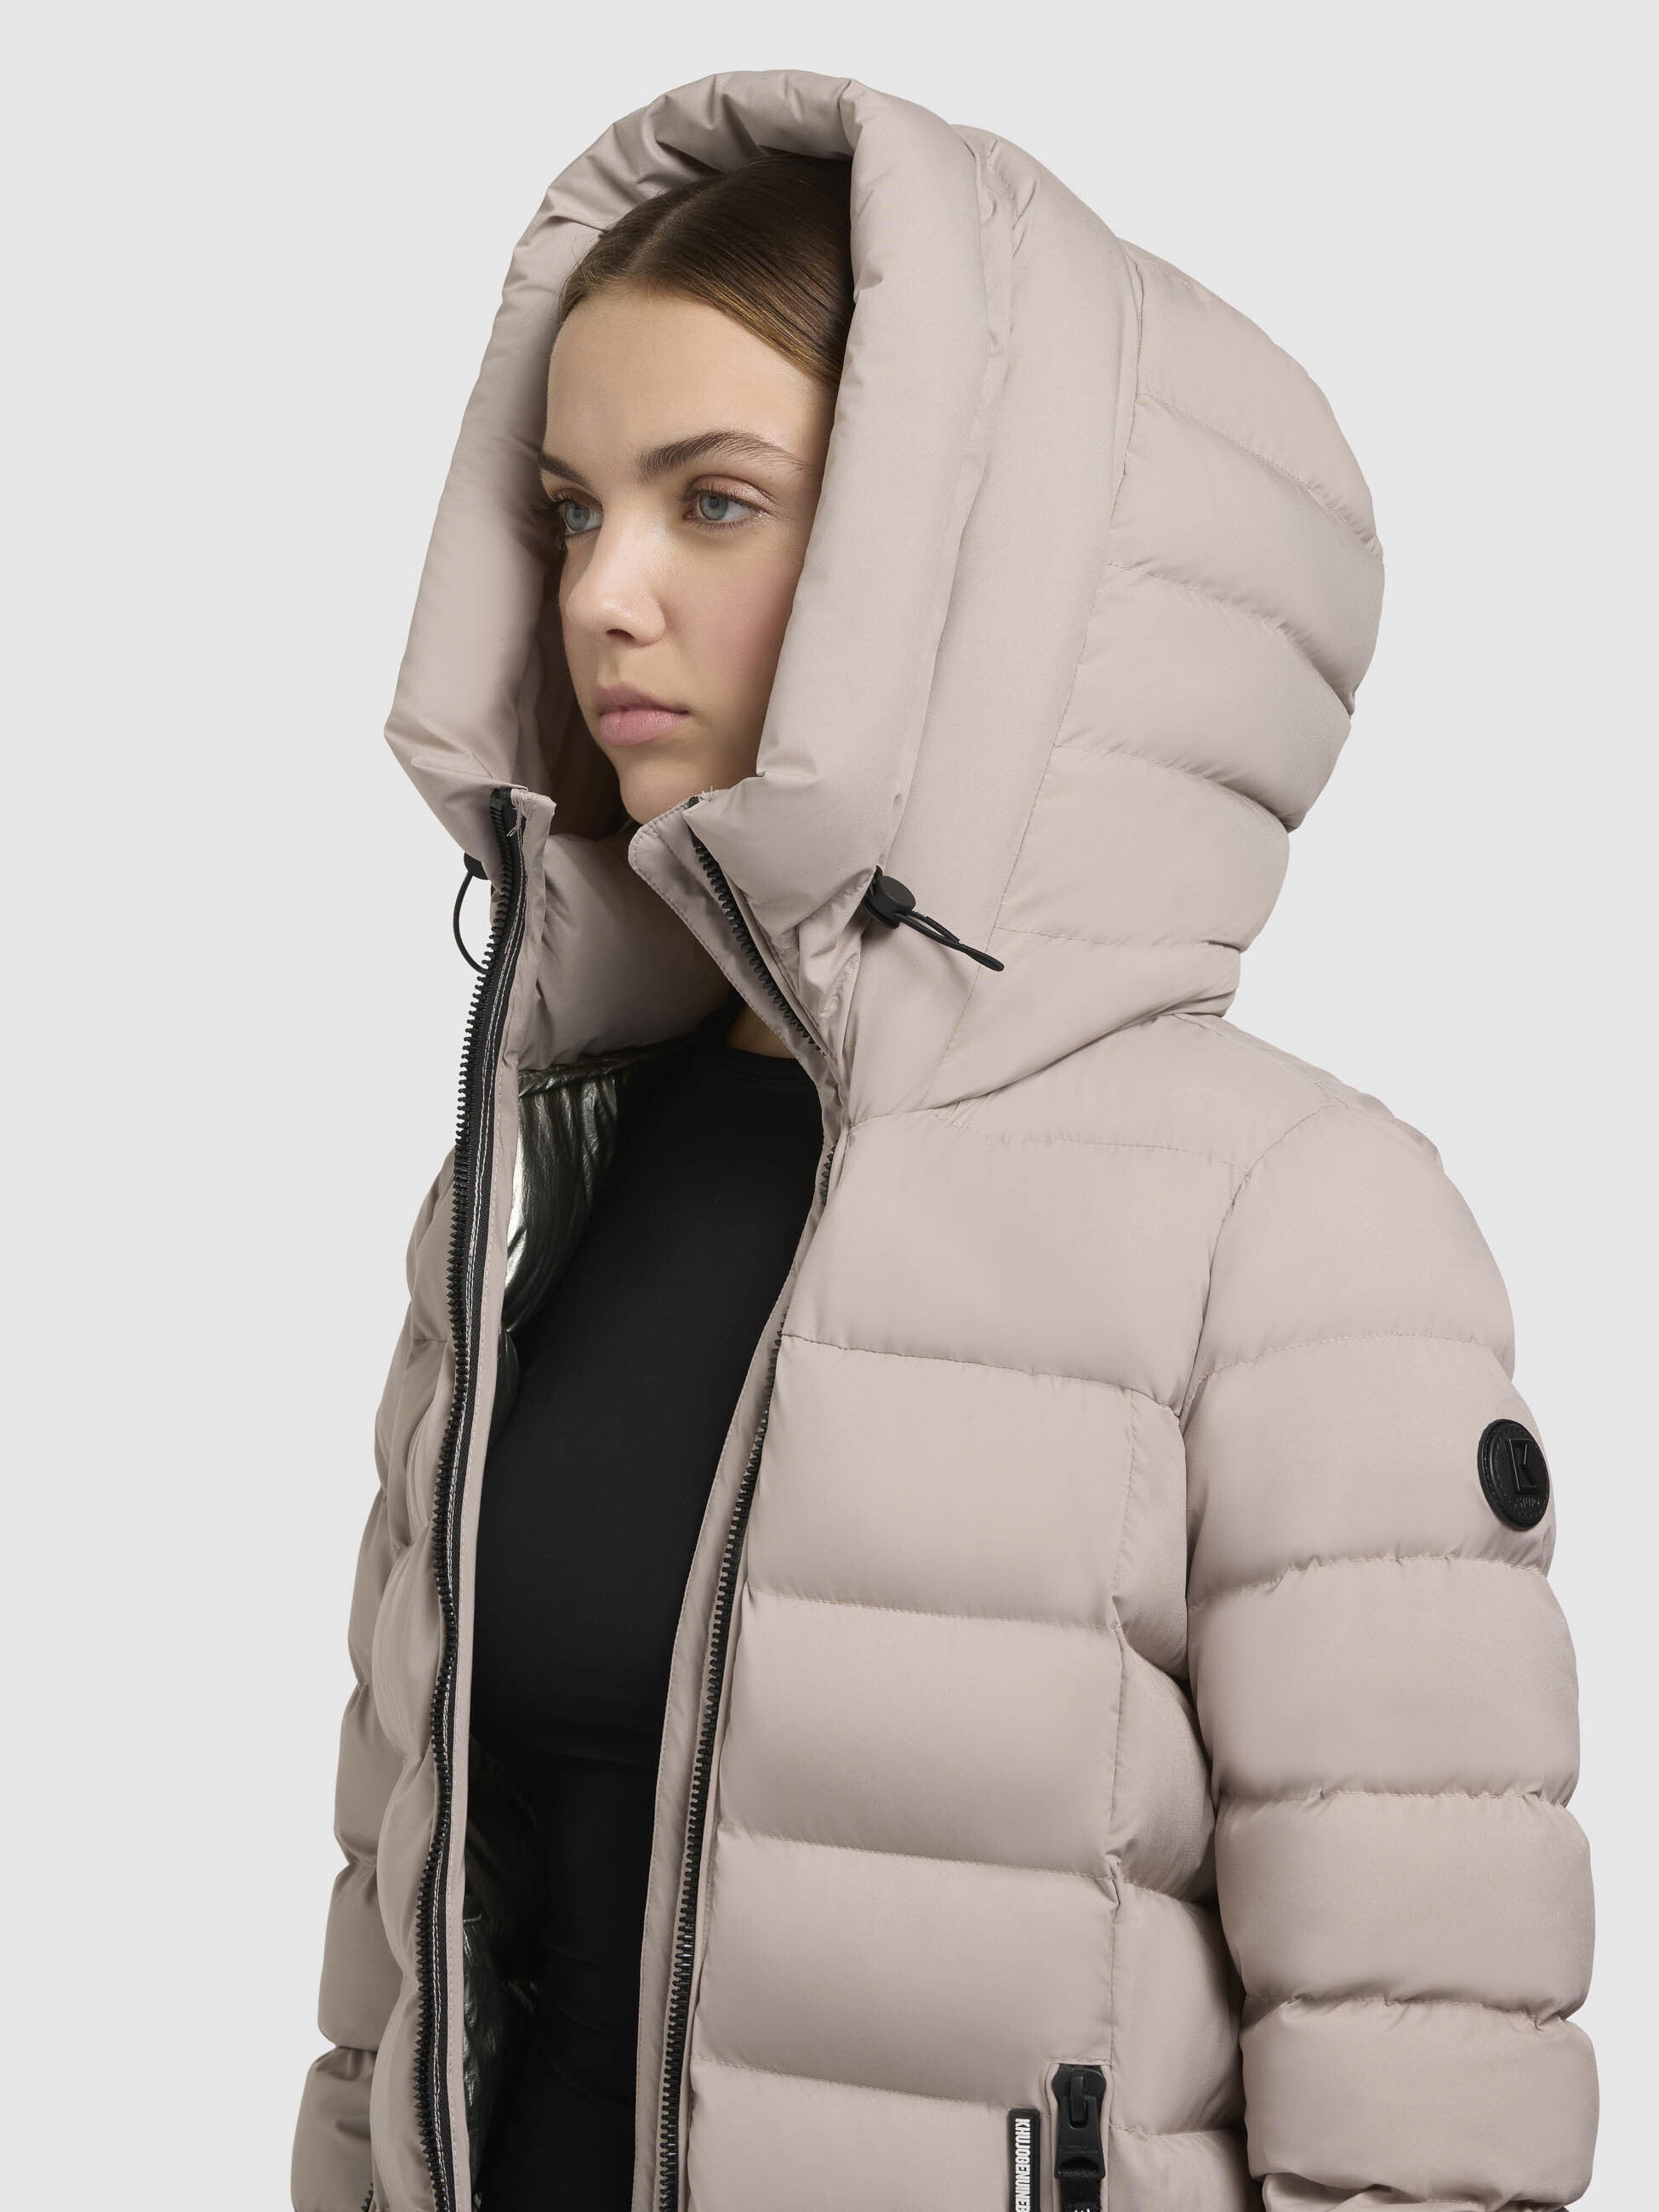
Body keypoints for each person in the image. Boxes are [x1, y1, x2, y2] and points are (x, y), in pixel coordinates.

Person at [290, 69, 1598, 2212]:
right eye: (571, 511)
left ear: (967, 568)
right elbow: (398, 1962)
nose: (605, 594)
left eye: (716, 502)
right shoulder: (531, 1181)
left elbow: (1428, 2105)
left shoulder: (1290, 1228)